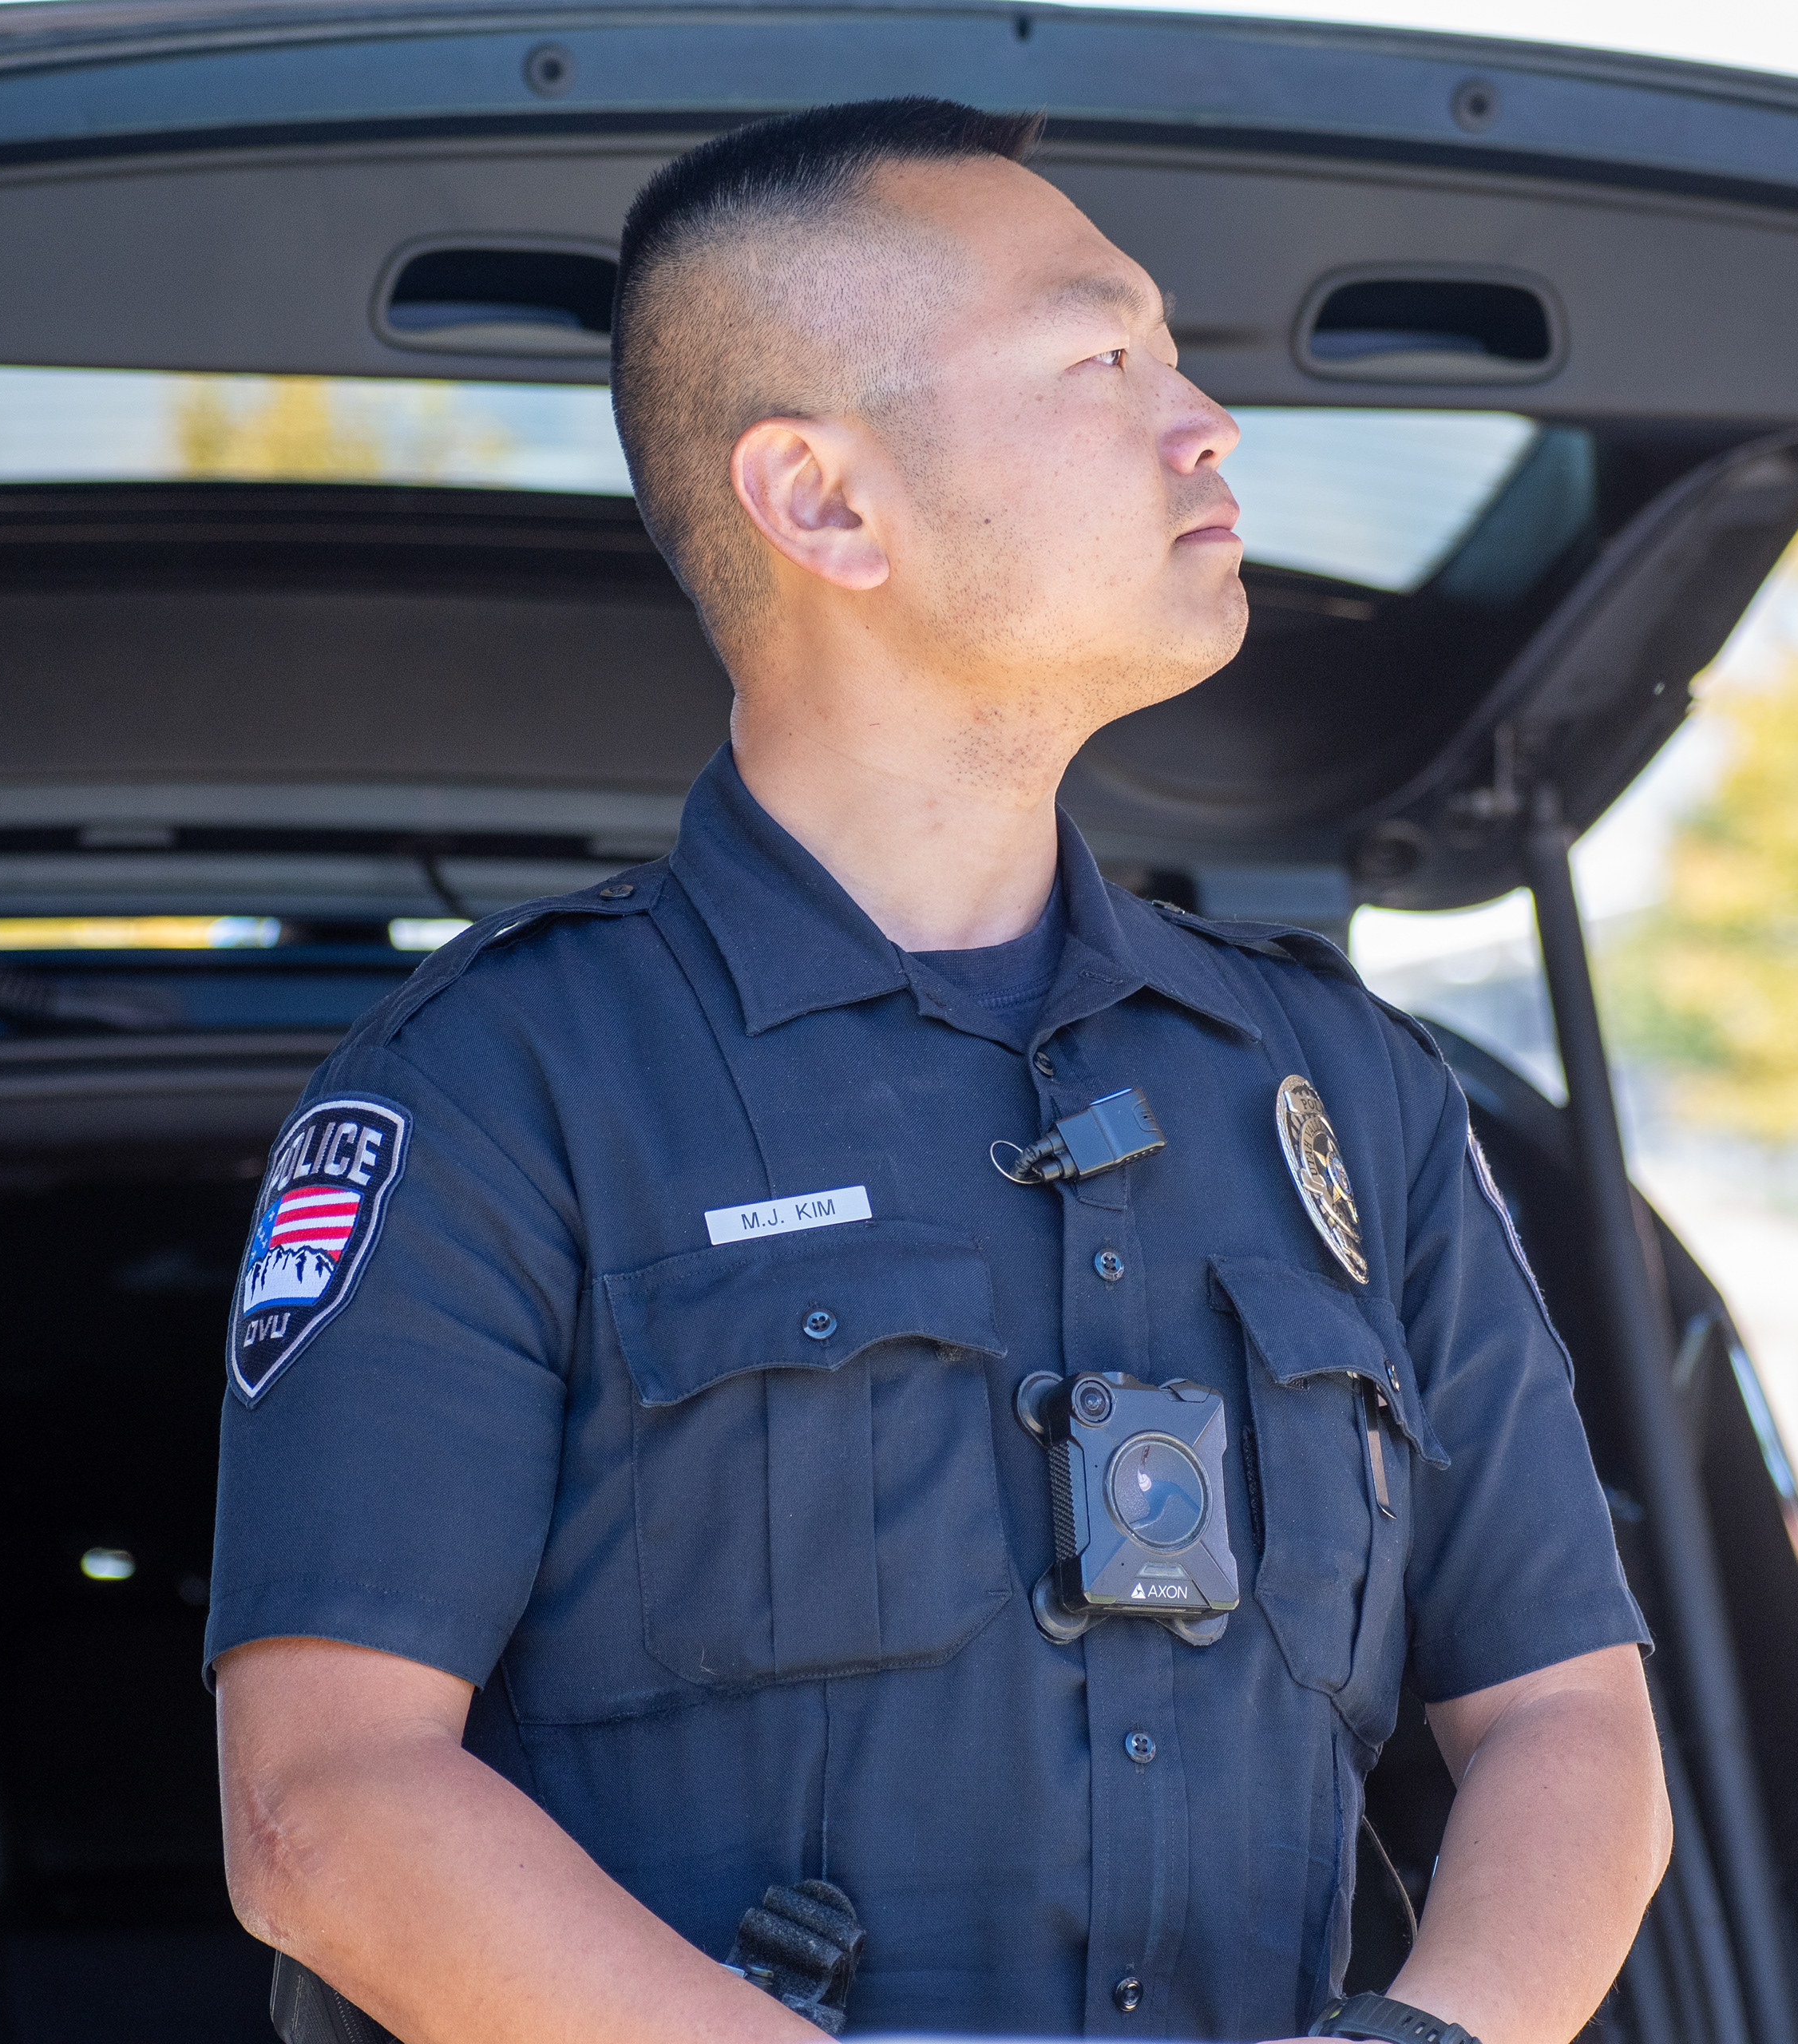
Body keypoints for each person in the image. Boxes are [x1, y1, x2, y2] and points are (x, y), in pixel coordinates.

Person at [208, 97, 1668, 2044]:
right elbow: (328, 1806)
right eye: (1101, 356)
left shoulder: (1346, 1088)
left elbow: (1572, 1713)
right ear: (822, 502)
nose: (1204, 418)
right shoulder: (500, 1092)